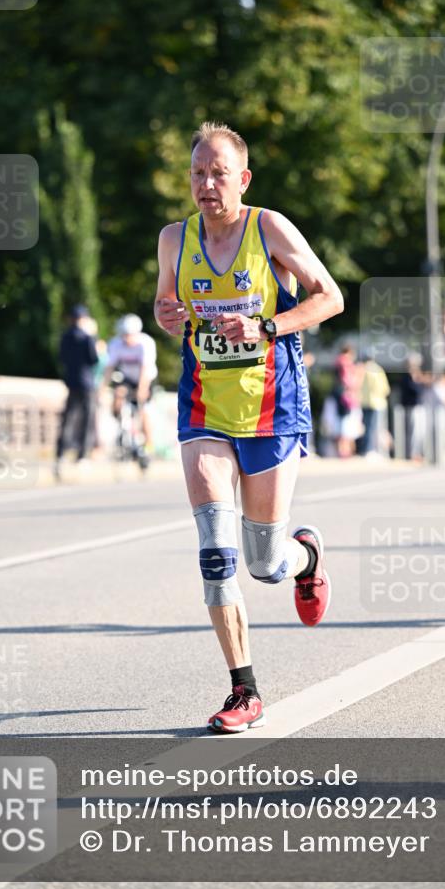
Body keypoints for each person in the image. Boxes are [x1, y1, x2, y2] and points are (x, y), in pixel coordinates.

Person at [154, 121, 344, 733]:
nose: (206, 184)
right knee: (216, 554)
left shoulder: (270, 229)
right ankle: (245, 690)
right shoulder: (174, 239)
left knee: (264, 564)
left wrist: (266, 327)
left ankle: (305, 557)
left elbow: (331, 297)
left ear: (243, 179)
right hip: (203, 409)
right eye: (197, 173)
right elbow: (165, 308)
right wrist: (166, 315)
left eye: (218, 173)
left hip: (271, 409)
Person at [54, 305, 98, 478]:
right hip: (87, 383)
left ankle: (61, 453)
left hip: (71, 381)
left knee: (68, 418)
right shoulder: (87, 337)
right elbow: (93, 359)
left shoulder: (65, 336)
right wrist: (93, 337)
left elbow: (61, 358)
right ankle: (82, 455)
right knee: (87, 419)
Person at [105, 314, 158, 453]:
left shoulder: (146, 343)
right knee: (118, 394)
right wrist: (103, 387)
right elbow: (109, 367)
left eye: (130, 335)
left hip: (146, 378)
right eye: (124, 335)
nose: (127, 339)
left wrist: (142, 390)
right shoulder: (116, 344)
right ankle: (122, 425)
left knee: (144, 409)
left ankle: (148, 443)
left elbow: (145, 369)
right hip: (127, 378)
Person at [358, 352, 390, 458]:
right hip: (377, 403)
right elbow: (384, 388)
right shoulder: (377, 369)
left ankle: (365, 450)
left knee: (367, 427)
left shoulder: (361, 369)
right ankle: (371, 450)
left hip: (364, 402)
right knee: (375, 428)